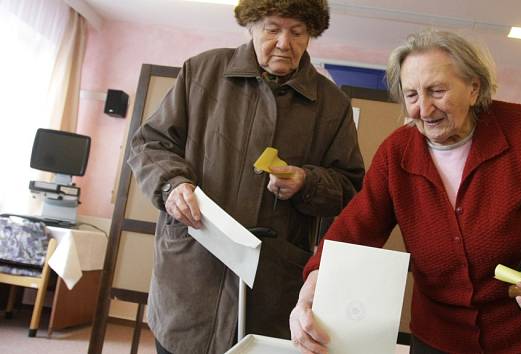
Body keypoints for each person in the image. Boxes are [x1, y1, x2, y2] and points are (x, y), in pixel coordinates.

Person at [289, 29, 521, 354]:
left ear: (473, 88)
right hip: (440, 335)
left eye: (436, 91)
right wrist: (309, 292)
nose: (423, 109)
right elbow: (354, 231)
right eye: (411, 95)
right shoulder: (396, 154)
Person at [127, 1, 365, 353]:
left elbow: (350, 186)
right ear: (251, 26)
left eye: (298, 32)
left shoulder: (332, 104)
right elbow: (149, 144)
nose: (285, 42)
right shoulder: (202, 72)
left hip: (271, 281)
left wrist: (306, 182)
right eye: (272, 28)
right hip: (192, 270)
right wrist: (172, 184)